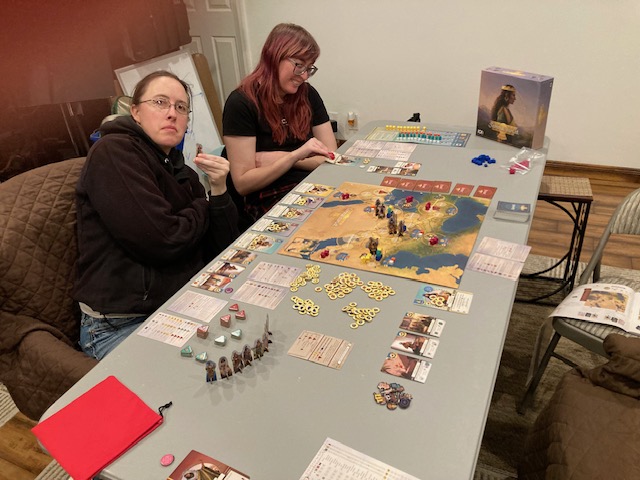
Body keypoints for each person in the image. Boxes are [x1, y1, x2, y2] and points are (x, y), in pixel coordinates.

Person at [74, 70, 239, 360]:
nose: (172, 113)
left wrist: (218, 188)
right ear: (136, 112)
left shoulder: (180, 168)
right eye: (160, 102)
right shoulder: (113, 152)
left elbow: (222, 248)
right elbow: (164, 239)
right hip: (121, 323)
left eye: (181, 107)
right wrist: (203, 205)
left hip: (179, 305)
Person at [222, 23, 337, 224]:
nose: (304, 76)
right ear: (274, 57)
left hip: (310, 183)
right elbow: (243, 184)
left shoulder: (308, 94)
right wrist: (298, 155)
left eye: (309, 68)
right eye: (299, 65)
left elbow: (331, 157)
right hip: (267, 195)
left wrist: (284, 158)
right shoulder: (241, 103)